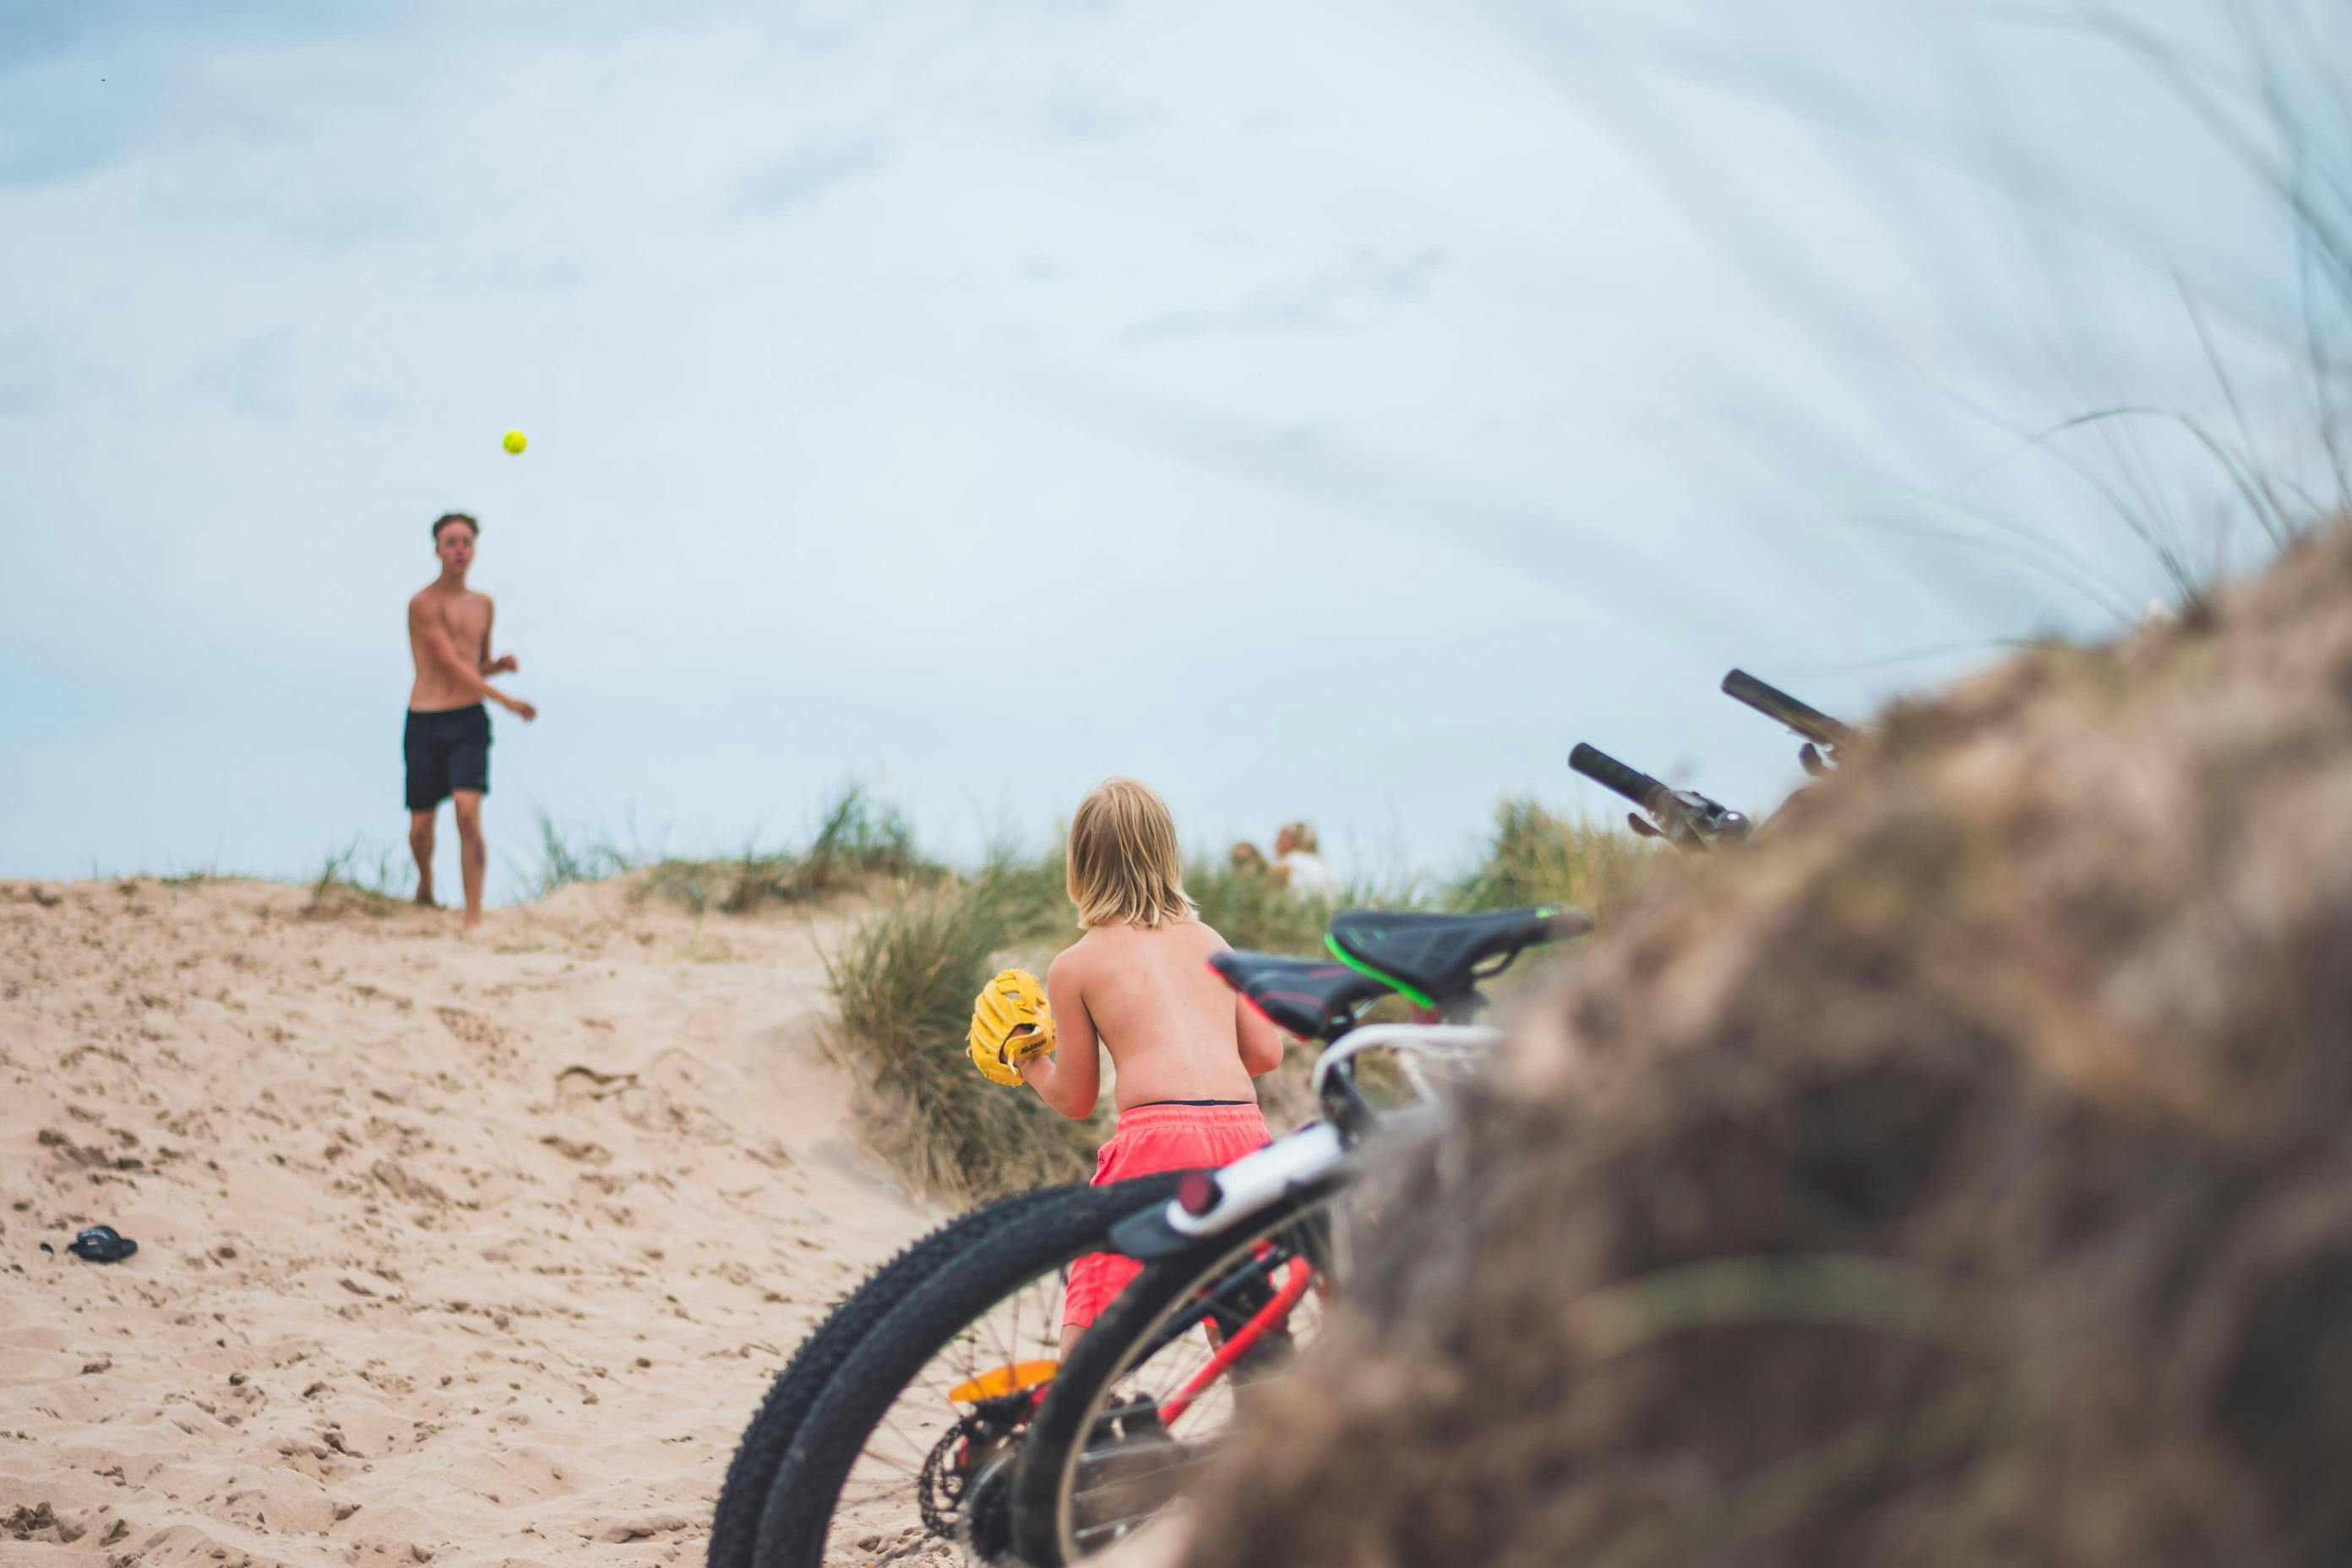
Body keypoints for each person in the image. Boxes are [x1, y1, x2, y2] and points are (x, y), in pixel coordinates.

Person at [1016, 778, 1286, 1358]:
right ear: (1168, 855)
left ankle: (1070, 1428)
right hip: (1245, 1134)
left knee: (1096, 1317)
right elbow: (1267, 1053)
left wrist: (1027, 1062)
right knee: (1242, 1319)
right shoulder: (1212, 941)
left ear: (1081, 864)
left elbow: (1078, 1096)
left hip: (1156, 1143)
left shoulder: (1077, 964)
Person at [405, 512, 536, 930]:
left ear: (474, 548)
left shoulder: (484, 605)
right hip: (426, 720)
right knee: (421, 827)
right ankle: (425, 882)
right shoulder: (423, 604)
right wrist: (507, 700)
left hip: (468, 722)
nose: (459, 549)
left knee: (467, 814)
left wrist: (497, 666)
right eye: (450, 542)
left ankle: (472, 917)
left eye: (465, 541)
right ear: (437, 550)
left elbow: (473, 665)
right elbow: (448, 665)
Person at [1272, 820, 1337, 901]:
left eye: (1280, 838)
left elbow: (1265, 886)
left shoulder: (1293, 859)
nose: (1275, 843)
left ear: (1291, 841)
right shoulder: (1323, 865)